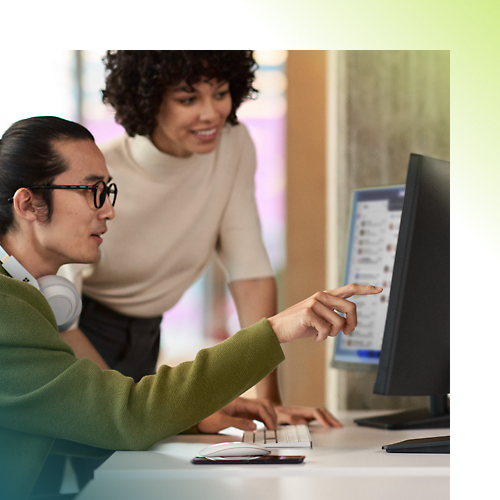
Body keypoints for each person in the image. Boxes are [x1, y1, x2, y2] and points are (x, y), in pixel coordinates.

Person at [0, 116, 382, 499]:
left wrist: (193, 418)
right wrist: (275, 330)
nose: (108, 210)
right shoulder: (8, 308)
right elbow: (128, 416)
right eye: (91, 192)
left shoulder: (23, 297)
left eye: (108, 192)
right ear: (28, 204)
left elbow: (80, 423)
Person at [59, 49, 341, 427]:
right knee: (89, 463)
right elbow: (59, 314)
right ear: (149, 99)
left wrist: (269, 401)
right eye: (188, 99)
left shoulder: (233, 145)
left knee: (133, 465)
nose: (210, 114)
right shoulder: (101, 172)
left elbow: (250, 272)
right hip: (77, 331)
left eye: (220, 93)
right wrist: (172, 416)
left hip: (146, 336)